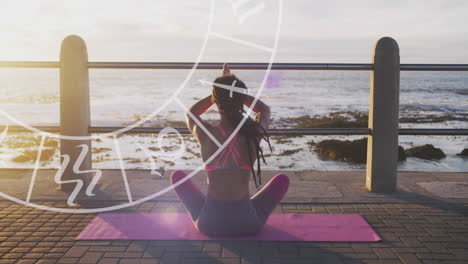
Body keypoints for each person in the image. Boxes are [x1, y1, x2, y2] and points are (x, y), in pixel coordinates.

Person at [170, 63, 289, 236]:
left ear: (217, 103)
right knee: (282, 180)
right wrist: (236, 94)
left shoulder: (205, 134)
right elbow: (264, 109)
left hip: (210, 225)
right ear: (241, 102)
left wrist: (219, 92)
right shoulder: (253, 134)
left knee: (177, 177)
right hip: (247, 225)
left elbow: (191, 114)